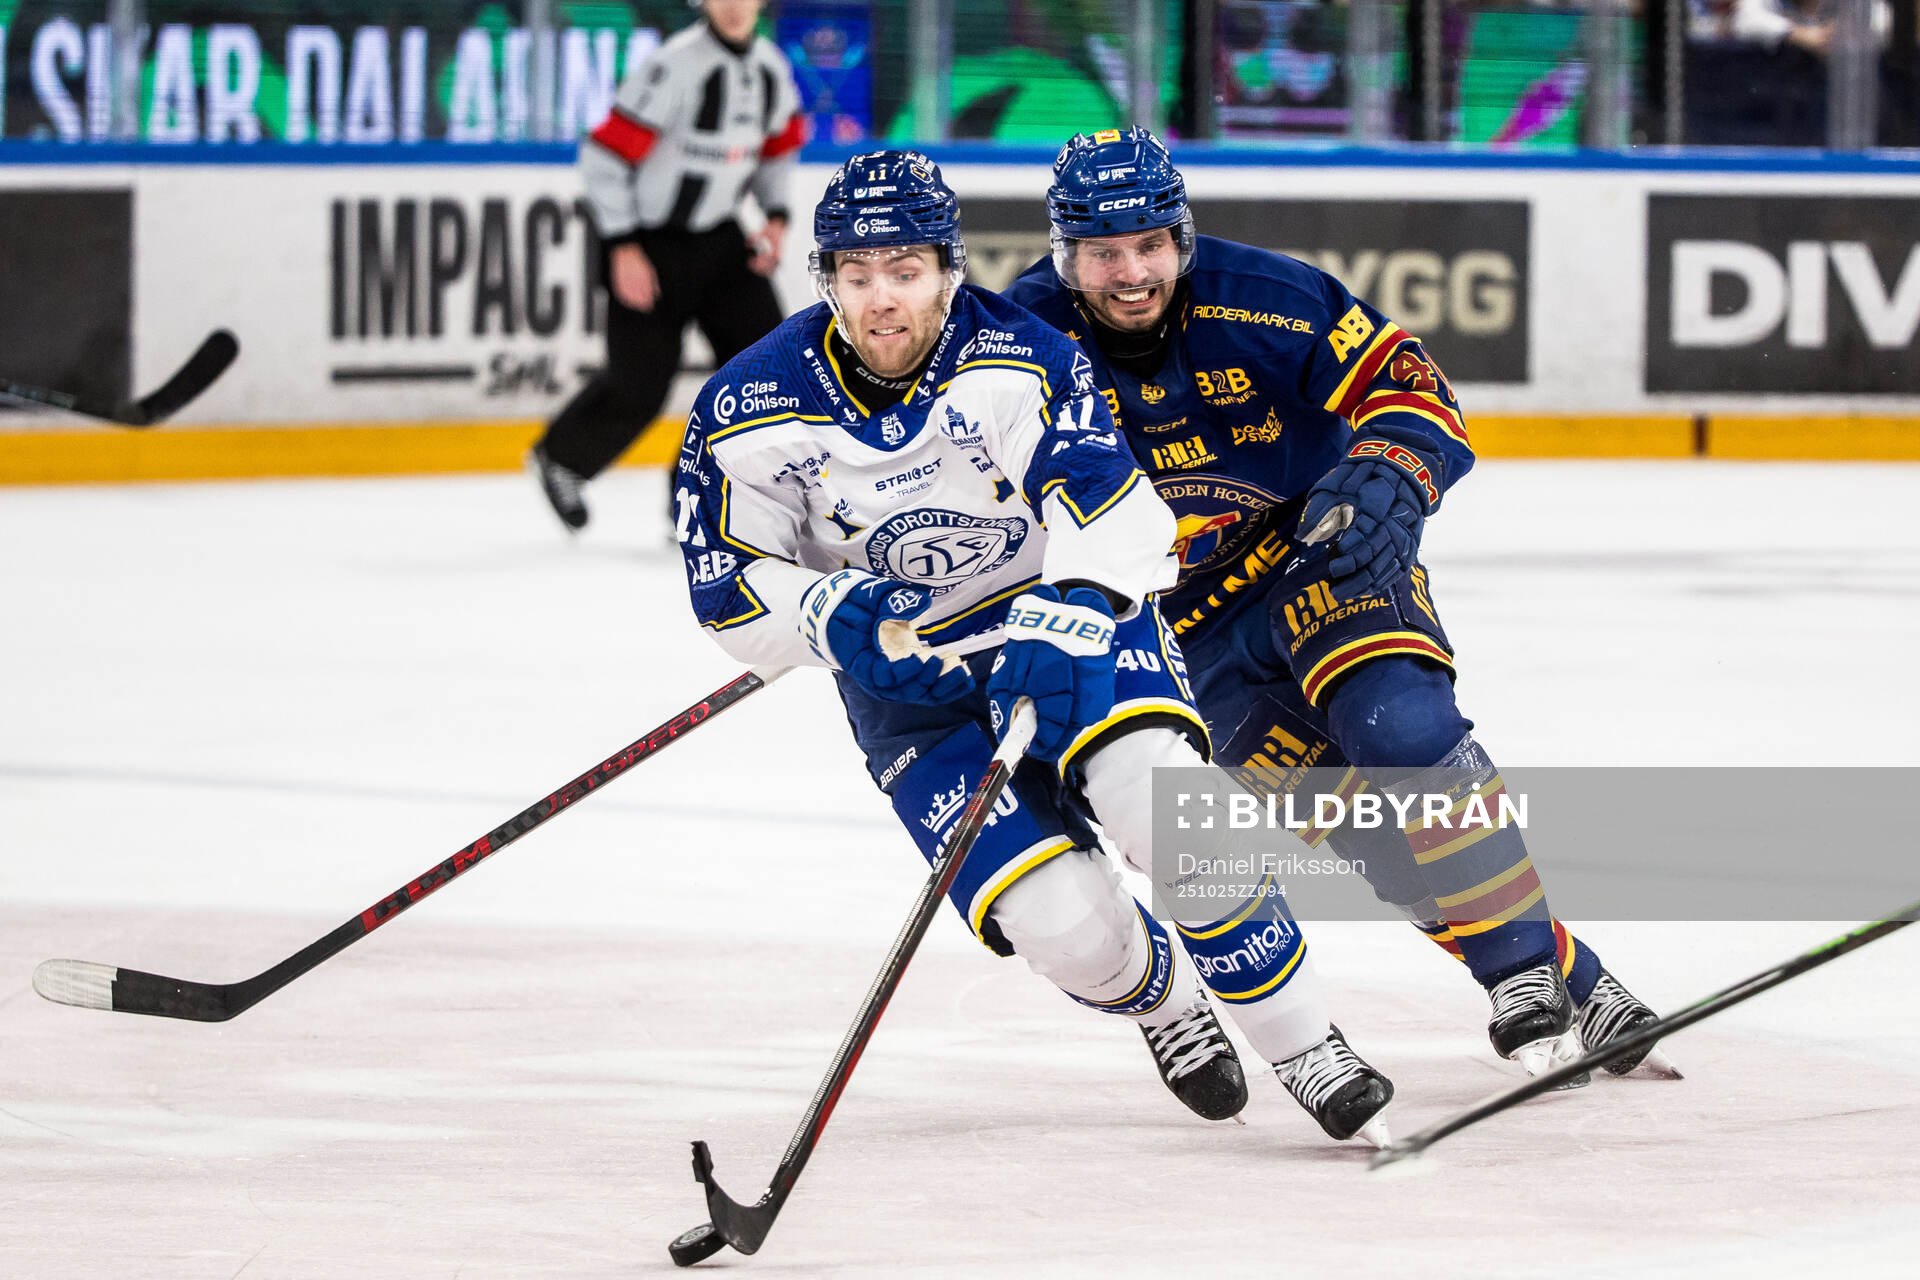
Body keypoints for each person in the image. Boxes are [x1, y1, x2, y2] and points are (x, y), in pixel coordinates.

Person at [675, 149, 1396, 1145]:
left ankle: (1304, 1039)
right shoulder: (743, 409)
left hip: (1065, 633)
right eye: (857, 274)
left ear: (948, 268)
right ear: (826, 278)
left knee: (1177, 820)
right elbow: (723, 585)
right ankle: (1165, 1005)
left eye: (906, 270)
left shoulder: (1025, 358)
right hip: (913, 688)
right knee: (1058, 921)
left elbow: (1117, 507)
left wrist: (1072, 600)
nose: (883, 299)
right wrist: (821, 612)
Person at [1003, 128, 1672, 1082]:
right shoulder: (1015, 340)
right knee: (1377, 843)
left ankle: (1520, 973)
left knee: (1401, 731)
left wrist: (1389, 475)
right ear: (1064, 253)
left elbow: (1415, 391)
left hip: (1321, 555)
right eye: (1104, 252)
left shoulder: (1270, 299)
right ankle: (1580, 978)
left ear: (1181, 237)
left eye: (1150, 243)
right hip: (1180, 633)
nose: (1132, 272)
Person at [529, 0, 805, 533]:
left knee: (766, 370)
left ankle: (694, 490)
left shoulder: (771, 69)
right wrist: (623, 246)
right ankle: (562, 457)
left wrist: (774, 217)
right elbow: (603, 158)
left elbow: (776, 151)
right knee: (641, 386)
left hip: (722, 240)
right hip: (646, 242)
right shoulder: (675, 65)